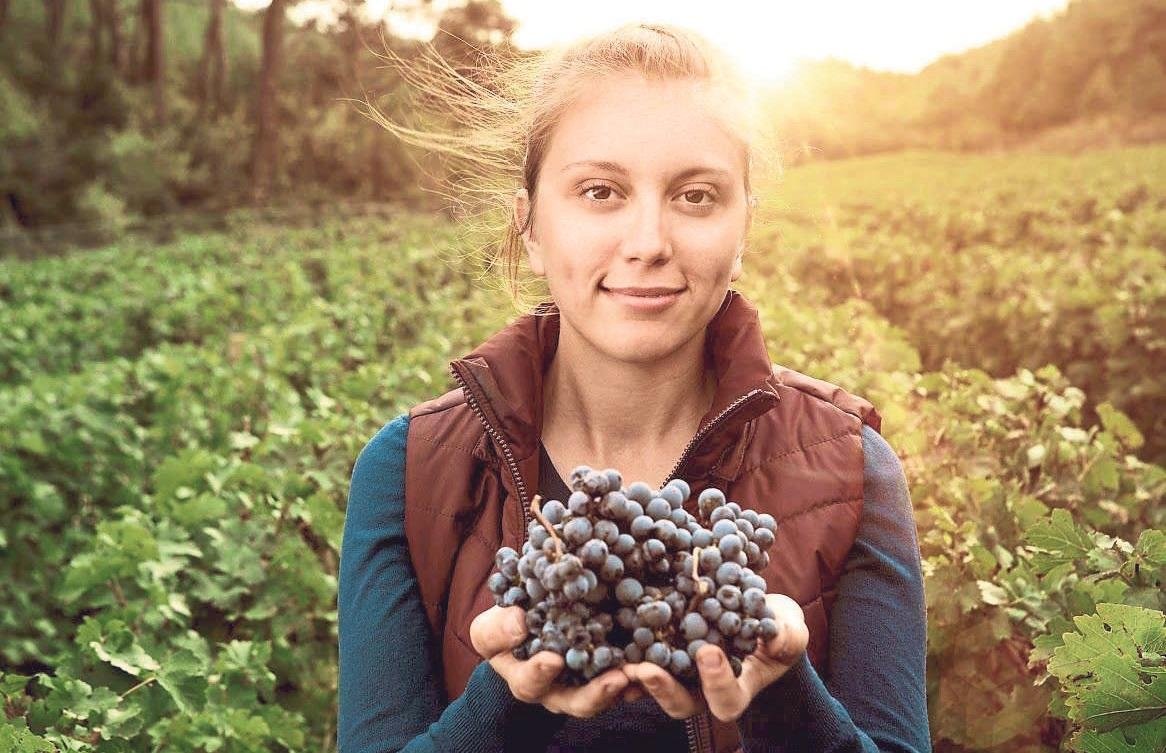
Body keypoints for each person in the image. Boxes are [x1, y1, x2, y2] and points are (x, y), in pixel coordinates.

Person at [338, 23, 931, 753]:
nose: (648, 240)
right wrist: (507, 696)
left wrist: (784, 696)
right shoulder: (406, 473)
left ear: (744, 226)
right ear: (528, 225)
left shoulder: (855, 468)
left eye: (696, 195)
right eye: (600, 191)